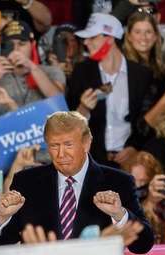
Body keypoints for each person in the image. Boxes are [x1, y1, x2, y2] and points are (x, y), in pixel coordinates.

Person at [0, 111, 154, 254]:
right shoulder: (26, 182)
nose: (61, 154)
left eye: (68, 144)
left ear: (86, 143)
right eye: (54, 146)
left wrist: (119, 214)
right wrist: (3, 218)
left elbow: (143, 245)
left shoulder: (118, 181)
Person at [66, 13, 155, 167]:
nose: (86, 42)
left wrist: (134, 148)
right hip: (92, 161)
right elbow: (69, 125)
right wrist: (84, 108)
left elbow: (147, 121)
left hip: (130, 162)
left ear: (110, 38)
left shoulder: (141, 75)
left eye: (92, 37)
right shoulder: (81, 72)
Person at [0, 19, 65, 119]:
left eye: (21, 44)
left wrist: (32, 67)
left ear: (33, 45)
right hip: (8, 132)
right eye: (10, 45)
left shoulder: (52, 71)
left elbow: (60, 105)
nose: (16, 49)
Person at [122, 11, 165, 80]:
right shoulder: (123, 67)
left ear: (155, 36)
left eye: (148, 32)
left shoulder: (161, 65)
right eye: (137, 32)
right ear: (129, 37)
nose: (143, 37)